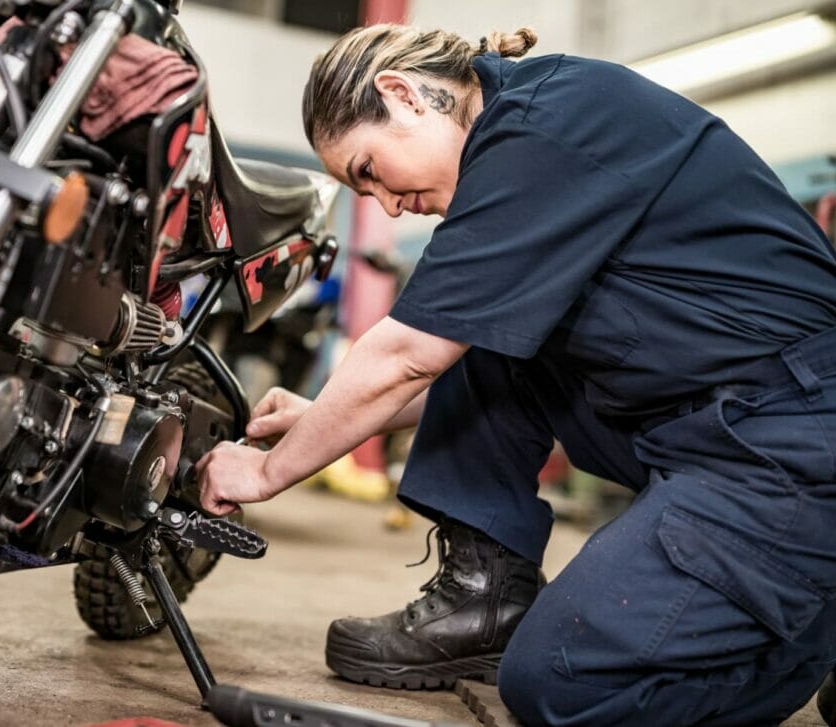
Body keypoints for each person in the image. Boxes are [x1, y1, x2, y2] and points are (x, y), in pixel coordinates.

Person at [195, 22, 836, 726]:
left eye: (369, 171)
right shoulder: (524, 132)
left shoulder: (548, 130)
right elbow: (454, 361)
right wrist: (321, 417)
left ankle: (810, 643)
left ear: (403, 94)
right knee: (487, 336)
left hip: (789, 441)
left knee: (561, 683)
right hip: (704, 424)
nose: (386, 204)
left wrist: (262, 474)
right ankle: (484, 600)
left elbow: (408, 355)